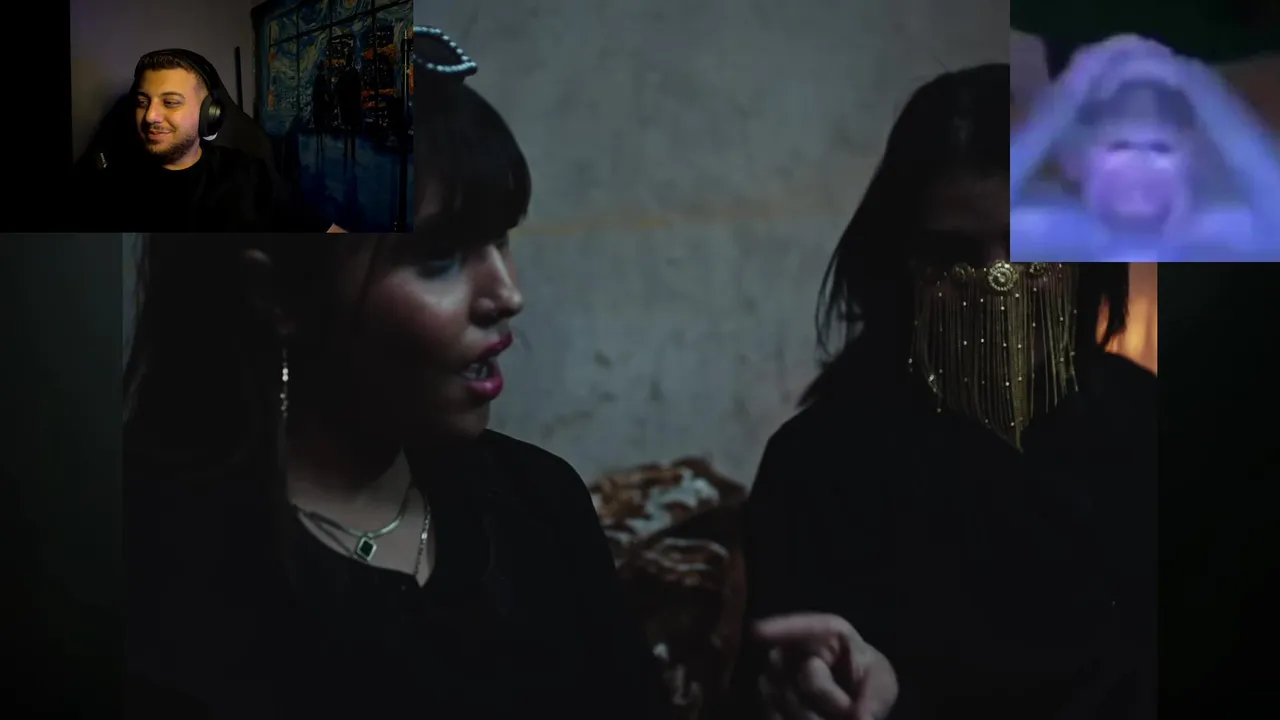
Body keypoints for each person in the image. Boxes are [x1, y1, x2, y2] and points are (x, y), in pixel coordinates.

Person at [123, 29, 669, 719]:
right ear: (278, 296)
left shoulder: (538, 504)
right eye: (440, 257)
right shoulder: (149, 553)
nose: (507, 295)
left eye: (500, 238)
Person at [728, 64, 1156, 720]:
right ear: (904, 263)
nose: (997, 285)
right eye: (954, 255)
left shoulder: (1145, 421)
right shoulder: (819, 466)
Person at [1011, 34, 1280, 261]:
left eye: (1161, 148)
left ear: (1194, 160)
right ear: (1078, 161)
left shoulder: (1227, 232)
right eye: (1119, 146)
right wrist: (1069, 91)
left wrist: (1200, 85)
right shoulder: (1049, 230)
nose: (1139, 161)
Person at [76, 49, 345, 233]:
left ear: (210, 114)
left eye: (170, 102)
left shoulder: (251, 175)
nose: (150, 116)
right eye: (142, 102)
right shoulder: (107, 186)